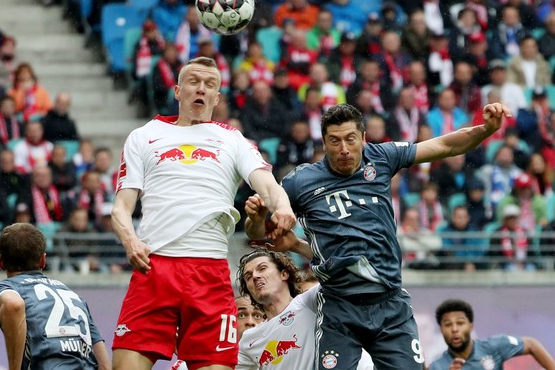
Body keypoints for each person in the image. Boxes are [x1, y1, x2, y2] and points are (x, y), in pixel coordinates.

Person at [245, 101, 512, 370]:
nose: (344, 149)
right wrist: (255, 219)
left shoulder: (382, 157)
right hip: (339, 306)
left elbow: (444, 146)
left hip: (389, 303)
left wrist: (485, 129)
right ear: (324, 143)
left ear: (363, 137)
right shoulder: (300, 182)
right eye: (334, 141)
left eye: (350, 139)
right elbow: (258, 235)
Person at [111, 56, 296, 370]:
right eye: (194, 82)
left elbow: (267, 183)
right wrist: (130, 241)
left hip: (208, 272)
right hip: (154, 268)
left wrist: (283, 206)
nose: (201, 89)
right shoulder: (144, 136)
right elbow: (121, 208)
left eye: (210, 84)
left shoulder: (232, 140)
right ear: (178, 91)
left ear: (217, 97)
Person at [0, 223, 111, 370]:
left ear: (0, 262)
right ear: (43, 260)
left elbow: (14, 304)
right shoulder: (74, 296)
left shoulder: (4, 288)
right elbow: (105, 366)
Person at [236, 249, 374, 370]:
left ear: (284, 274)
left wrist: (296, 245)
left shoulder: (311, 301)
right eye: (248, 276)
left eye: (262, 268)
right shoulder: (249, 340)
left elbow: (347, 267)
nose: (255, 276)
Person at [429, 298, 555, 370]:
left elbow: (531, 344)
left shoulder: (493, 346)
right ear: (441, 330)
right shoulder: (437, 366)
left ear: (471, 326)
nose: (454, 329)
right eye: (448, 324)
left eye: (460, 323)